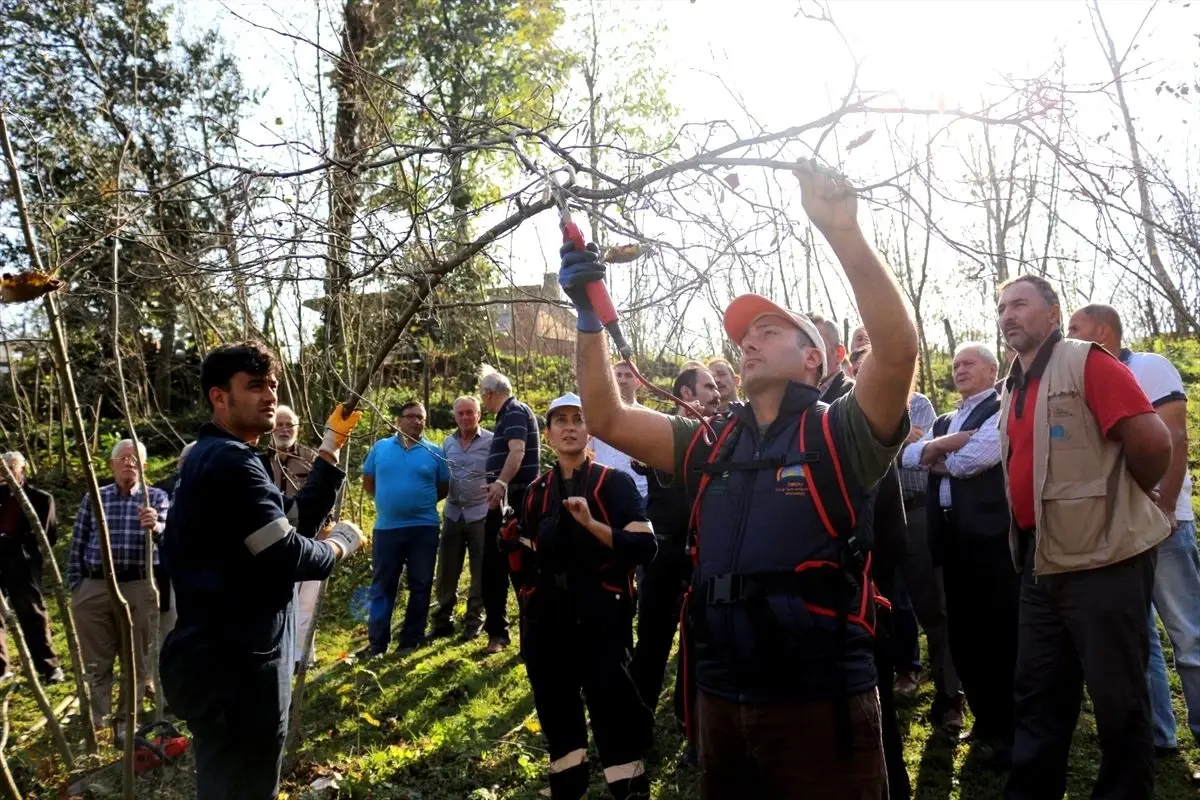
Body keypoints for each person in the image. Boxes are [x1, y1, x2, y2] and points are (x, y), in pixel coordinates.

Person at [562, 159, 918, 797]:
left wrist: (843, 232)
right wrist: (589, 319)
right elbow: (606, 415)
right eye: (744, 336)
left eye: (768, 330)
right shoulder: (710, 441)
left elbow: (896, 351)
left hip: (821, 698)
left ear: (814, 358)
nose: (747, 343)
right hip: (720, 696)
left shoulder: (841, 433)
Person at [159, 341, 364, 799]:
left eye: (272, 385)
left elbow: (282, 523)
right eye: (254, 386)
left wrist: (329, 449)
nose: (269, 396)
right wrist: (338, 546)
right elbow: (286, 552)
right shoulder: (231, 461)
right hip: (237, 670)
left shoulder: (213, 455)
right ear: (219, 396)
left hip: (219, 662)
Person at [997, 275, 1171, 800]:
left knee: (1119, 700)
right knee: (1037, 695)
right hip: (1040, 561)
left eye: (1020, 304)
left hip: (1105, 562)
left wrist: (1119, 503)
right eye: (1002, 306)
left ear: (1053, 313)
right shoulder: (1011, 384)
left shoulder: (1086, 361)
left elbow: (1153, 442)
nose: (1008, 314)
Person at [1069, 303, 1200, 783]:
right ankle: (1158, 736)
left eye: (1076, 329)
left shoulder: (1148, 366)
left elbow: (1175, 435)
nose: (1071, 337)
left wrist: (1165, 505)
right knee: (1138, 642)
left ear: (1105, 330)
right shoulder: (1083, 376)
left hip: (1166, 524)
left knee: (1189, 638)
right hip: (1118, 533)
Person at [508, 393, 657, 799]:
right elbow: (522, 558)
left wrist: (591, 525)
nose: (570, 426)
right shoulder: (536, 492)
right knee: (557, 715)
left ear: (589, 429)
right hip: (549, 623)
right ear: (550, 432)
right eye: (561, 421)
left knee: (613, 711)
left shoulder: (615, 483)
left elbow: (644, 548)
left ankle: (629, 790)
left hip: (602, 620)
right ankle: (568, 789)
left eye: (578, 418)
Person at [903, 342, 1018, 765]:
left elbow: (978, 459)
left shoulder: (1002, 408)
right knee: (965, 632)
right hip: (949, 538)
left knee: (1002, 632)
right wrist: (951, 441)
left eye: (969, 363)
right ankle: (986, 717)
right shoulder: (950, 418)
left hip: (991, 536)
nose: (960, 369)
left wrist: (937, 452)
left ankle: (1011, 727)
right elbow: (909, 457)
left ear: (992, 370)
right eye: (955, 364)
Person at [813, 318, 911, 800]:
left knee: (869, 707)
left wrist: (873, 569)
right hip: (828, 586)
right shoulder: (797, 412)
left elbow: (880, 503)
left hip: (859, 580)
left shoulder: (849, 407)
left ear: (826, 354)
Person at [629, 366, 720, 747]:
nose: (717, 392)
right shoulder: (663, 431)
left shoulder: (723, 436)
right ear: (687, 392)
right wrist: (681, 434)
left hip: (704, 554)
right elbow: (641, 462)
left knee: (697, 645)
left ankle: (692, 726)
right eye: (709, 386)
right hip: (664, 554)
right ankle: (634, 728)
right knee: (652, 643)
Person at [68, 439, 170, 736]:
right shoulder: (95, 498)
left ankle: (126, 723)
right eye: (123, 458)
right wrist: (77, 586)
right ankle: (98, 723)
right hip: (95, 585)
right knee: (97, 662)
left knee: (136, 660)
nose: (129, 463)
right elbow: (77, 542)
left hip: (138, 585)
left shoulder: (156, 498)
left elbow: (170, 537)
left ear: (145, 467)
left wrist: (157, 527)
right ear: (112, 465)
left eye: (136, 459)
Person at [896, 381, 964, 730]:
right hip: (869, 519)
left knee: (934, 609)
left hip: (915, 515)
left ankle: (950, 698)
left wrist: (885, 442)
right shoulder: (850, 409)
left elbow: (923, 454)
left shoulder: (916, 403)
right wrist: (900, 440)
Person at [363, 401, 449, 657]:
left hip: (424, 528)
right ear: (399, 420)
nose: (416, 421)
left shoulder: (435, 452)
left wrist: (417, 504)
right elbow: (369, 483)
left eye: (421, 418)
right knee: (382, 586)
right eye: (410, 416)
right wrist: (391, 503)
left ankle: (410, 640)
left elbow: (442, 488)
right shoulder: (380, 448)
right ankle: (377, 643)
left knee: (421, 585)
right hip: (387, 528)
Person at [479, 364, 541, 654]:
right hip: (502, 501)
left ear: (490, 393)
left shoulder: (515, 411)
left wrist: (501, 483)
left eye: (482, 395)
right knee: (493, 567)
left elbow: (518, 452)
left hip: (514, 504)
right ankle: (500, 633)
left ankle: (530, 633)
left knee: (518, 567)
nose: (482, 401)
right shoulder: (507, 415)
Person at [263, 406, 323, 669]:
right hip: (269, 542)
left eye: (290, 424)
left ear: (298, 428)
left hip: (307, 539)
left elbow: (323, 497)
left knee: (307, 602)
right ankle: (278, 655)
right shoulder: (260, 460)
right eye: (279, 424)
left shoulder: (312, 459)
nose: (284, 429)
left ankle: (303, 657)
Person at [430, 396, 493, 641]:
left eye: (470, 412)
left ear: (479, 414)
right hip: (454, 514)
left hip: (481, 513)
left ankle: (474, 621)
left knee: (480, 571)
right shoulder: (447, 443)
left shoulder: (491, 441)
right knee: (446, 569)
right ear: (455, 417)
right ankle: (443, 619)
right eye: (461, 414)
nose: (465, 417)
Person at [0, 452, 62, 683]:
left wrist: (12, 542)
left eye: (9, 468)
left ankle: (49, 667)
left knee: (32, 613)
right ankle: (1, 669)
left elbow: (46, 537)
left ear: (22, 469)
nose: (4, 473)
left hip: (22, 562)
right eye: (1, 468)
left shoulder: (40, 498)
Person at [154, 441, 196, 643]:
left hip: (203, 568)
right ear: (180, 463)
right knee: (169, 624)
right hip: (169, 566)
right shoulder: (161, 490)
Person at [591, 363, 648, 500]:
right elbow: (588, 453)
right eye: (618, 375)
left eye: (628, 375)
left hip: (639, 493)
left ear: (638, 382)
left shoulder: (648, 418)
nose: (622, 380)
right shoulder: (595, 416)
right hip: (601, 491)